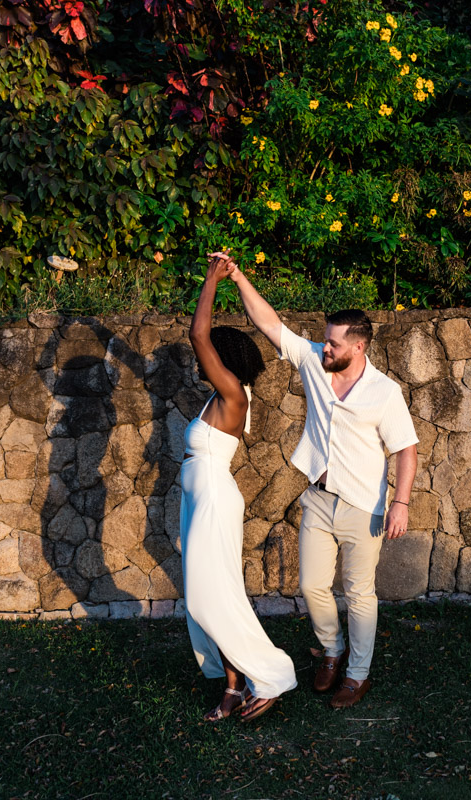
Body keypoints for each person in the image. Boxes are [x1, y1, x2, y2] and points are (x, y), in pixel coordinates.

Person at [213, 252, 418, 710]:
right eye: (324, 341)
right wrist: (237, 275)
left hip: (364, 505)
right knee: (311, 586)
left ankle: (357, 674)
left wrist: (400, 503)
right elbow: (270, 323)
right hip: (319, 498)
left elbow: (406, 448)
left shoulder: (385, 392)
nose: (324, 348)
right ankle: (332, 649)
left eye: (334, 345)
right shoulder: (314, 366)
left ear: (358, 347)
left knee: (360, 593)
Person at [180, 256, 298, 723]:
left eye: (209, 355)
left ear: (223, 360)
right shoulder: (219, 396)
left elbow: (198, 335)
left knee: (209, 597)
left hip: (212, 498)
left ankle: (271, 675)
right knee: (212, 593)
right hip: (200, 498)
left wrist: (212, 277)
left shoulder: (232, 393)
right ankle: (233, 686)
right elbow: (201, 342)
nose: (199, 359)